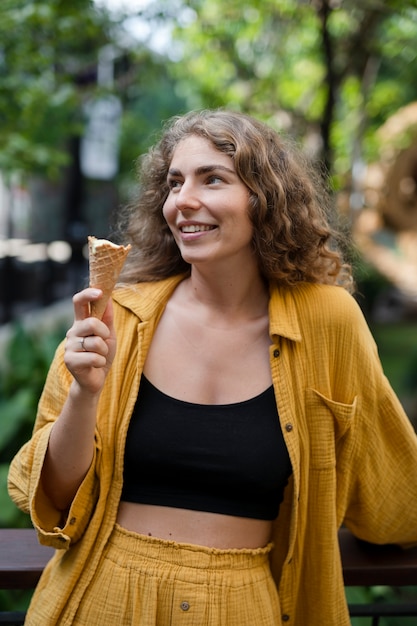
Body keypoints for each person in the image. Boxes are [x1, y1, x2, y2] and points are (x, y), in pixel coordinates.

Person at [8, 109, 417, 626]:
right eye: (175, 183)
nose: (183, 200)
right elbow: (52, 500)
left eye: (213, 179)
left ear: (265, 201)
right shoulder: (120, 315)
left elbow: (390, 482)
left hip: (242, 604)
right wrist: (84, 394)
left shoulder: (327, 322)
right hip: (101, 592)